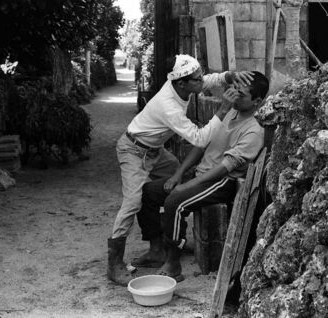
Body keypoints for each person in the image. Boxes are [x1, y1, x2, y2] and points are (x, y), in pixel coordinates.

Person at [108, 53, 254, 286]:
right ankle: (114, 262)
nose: (202, 81)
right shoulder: (169, 106)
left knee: (170, 183)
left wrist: (230, 75)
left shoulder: (186, 85)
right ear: (182, 83)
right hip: (134, 151)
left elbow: (212, 80)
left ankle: (159, 247)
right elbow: (199, 138)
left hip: (156, 151)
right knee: (134, 200)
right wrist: (223, 108)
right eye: (197, 79)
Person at [135, 71, 269, 281]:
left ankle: (173, 262)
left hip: (221, 182)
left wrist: (188, 186)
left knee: (175, 203)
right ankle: (156, 249)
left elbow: (225, 168)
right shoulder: (229, 113)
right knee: (146, 193)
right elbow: (201, 143)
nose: (232, 96)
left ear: (257, 101)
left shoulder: (254, 130)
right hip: (202, 175)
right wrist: (179, 175)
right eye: (231, 90)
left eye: (240, 94)